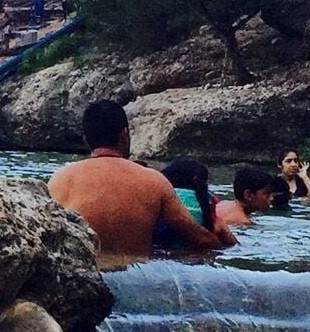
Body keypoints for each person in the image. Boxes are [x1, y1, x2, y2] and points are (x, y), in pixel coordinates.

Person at [48, 100, 222, 268]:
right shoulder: (154, 181)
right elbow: (202, 239)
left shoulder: (59, 180)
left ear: (86, 139)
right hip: (137, 281)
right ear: (124, 135)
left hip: (84, 278)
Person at [212, 166, 285, 233]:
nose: (272, 198)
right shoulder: (243, 222)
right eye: (266, 193)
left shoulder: (223, 203)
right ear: (248, 195)